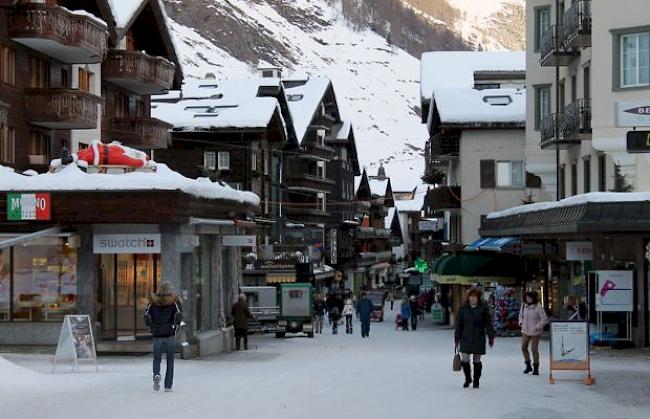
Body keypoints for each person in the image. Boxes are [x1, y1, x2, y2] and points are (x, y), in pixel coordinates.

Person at [144, 282, 182, 392]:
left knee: (157, 358)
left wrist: (151, 329)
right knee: (170, 361)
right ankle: (168, 386)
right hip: (169, 335)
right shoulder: (173, 304)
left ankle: (156, 374)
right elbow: (178, 317)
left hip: (156, 335)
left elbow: (147, 317)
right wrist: (175, 331)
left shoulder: (152, 303)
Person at [454, 287, 495, 389]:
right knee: (465, 359)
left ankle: (476, 380)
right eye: (471, 297)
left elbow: (488, 323)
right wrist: (457, 337)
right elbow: (458, 324)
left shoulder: (483, 308)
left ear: (478, 298)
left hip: (478, 336)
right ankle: (468, 378)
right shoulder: (463, 308)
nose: (472, 299)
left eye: (474, 297)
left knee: (477, 360)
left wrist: (491, 336)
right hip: (465, 336)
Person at [519, 291, 548, 375]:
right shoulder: (524, 305)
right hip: (525, 330)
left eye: (530, 297)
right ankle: (528, 365)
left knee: (534, 349)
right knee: (523, 347)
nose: (528, 299)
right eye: (527, 297)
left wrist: (537, 327)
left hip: (535, 332)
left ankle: (536, 368)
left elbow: (544, 319)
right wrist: (521, 322)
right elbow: (520, 316)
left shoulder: (538, 307)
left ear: (533, 298)